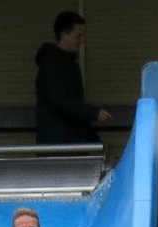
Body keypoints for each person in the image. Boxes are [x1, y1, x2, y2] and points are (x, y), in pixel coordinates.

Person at [34, 10, 112, 144]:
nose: (81, 41)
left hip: (62, 140)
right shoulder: (56, 64)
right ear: (65, 35)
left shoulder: (58, 63)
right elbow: (62, 100)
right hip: (61, 143)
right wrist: (93, 112)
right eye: (78, 36)